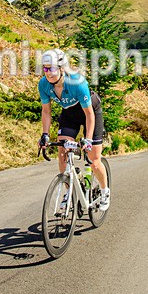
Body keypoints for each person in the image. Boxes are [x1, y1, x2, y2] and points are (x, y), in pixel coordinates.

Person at [37, 49, 109, 211]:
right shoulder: (43, 84)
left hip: (90, 112)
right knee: (62, 154)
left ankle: (105, 191)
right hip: (69, 114)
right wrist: (45, 134)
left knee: (94, 160)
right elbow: (46, 111)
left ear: (62, 68)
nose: (49, 73)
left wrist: (88, 139)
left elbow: (89, 114)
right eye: (46, 69)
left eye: (53, 68)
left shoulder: (77, 82)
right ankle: (69, 191)